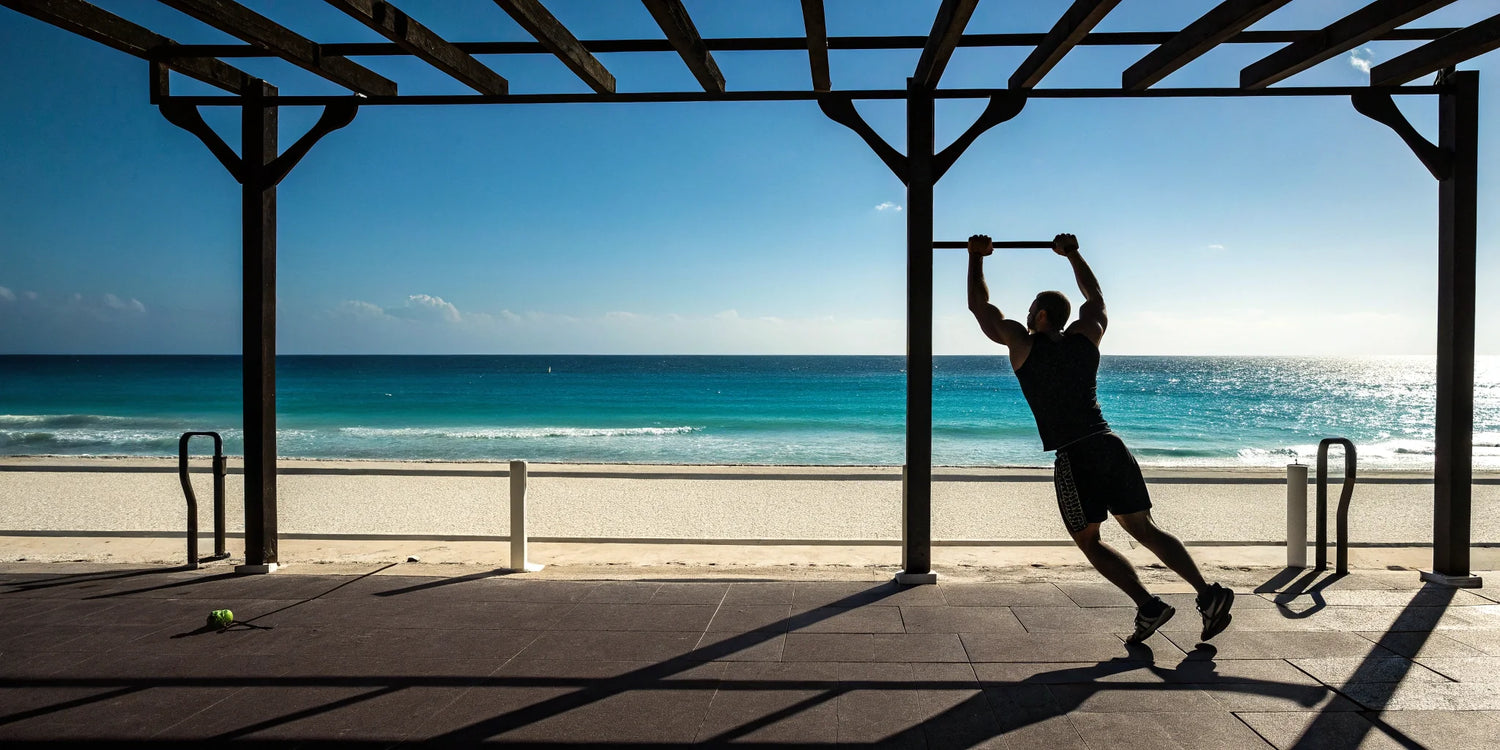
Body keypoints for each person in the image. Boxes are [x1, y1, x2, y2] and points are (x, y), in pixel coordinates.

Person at [965, 232, 1233, 643]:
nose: (1027, 310)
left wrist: (976, 257)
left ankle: (1148, 605)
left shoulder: (1022, 343)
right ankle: (1207, 594)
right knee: (1145, 528)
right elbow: (1096, 298)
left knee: (1089, 540)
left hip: (1075, 456)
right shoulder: (1087, 337)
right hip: (1109, 444)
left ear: (1039, 316)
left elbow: (980, 308)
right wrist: (1072, 254)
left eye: (1031, 306)